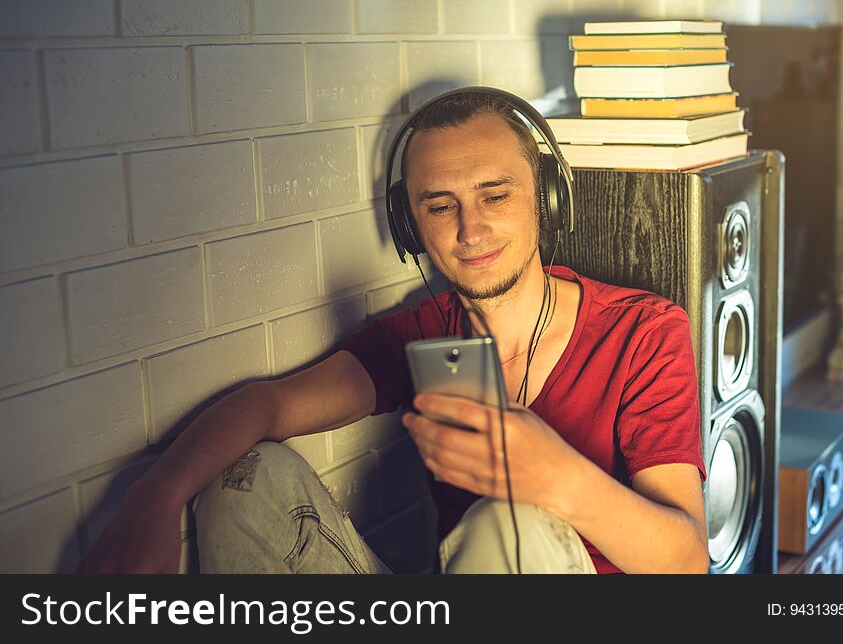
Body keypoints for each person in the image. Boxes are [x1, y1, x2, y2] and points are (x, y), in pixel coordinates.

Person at [78, 90, 708, 575]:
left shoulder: (642, 333)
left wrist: (554, 478)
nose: (470, 230)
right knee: (249, 474)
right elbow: (266, 405)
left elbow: (686, 560)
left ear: (544, 200)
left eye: (494, 196)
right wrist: (154, 497)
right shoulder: (423, 337)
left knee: (506, 521)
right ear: (413, 230)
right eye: (440, 206)